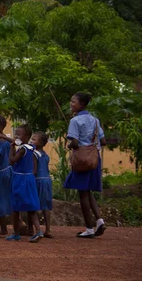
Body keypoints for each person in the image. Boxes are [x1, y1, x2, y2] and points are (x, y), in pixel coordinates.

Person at [64, 92, 107, 238]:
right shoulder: (95, 120)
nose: (71, 104)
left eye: (73, 102)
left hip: (82, 160)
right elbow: (104, 141)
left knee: (82, 193)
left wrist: (70, 145)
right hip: (94, 159)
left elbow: (75, 142)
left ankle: (89, 229)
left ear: (81, 105)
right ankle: (99, 220)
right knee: (88, 192)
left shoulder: (75, 121)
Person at [5, 125, 43, 242]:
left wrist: (11, 148)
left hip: (20, 179)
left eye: (19, 134)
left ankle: (16, 233)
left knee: (15, 208)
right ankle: (38, 231)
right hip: (29, 178)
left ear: (26, 136)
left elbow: (12, 161)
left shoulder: (22, 149)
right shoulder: (31, 148)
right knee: (31, 208)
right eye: (15, 134)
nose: (16, 136)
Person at [32, 131, 53, 238]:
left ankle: (36, 230)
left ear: (40, 143)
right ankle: (48, 229)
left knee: (33, 206)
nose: (31, 141)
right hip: (47, 181)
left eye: (34, 139)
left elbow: (34, 171)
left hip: (38, 181)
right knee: (46, 206)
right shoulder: (45, 155)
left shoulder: (34, 154)